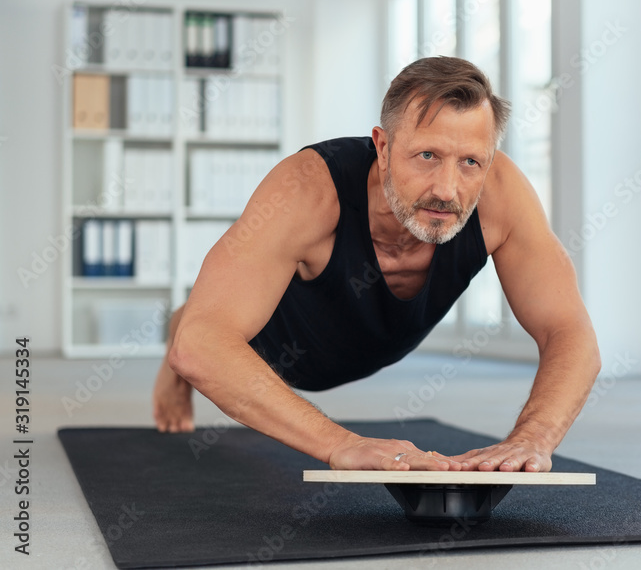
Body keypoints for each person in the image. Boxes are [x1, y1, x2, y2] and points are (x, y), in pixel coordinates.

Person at [153, 56, 601, 473]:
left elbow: (570, 330)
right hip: (278, 347)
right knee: (194, 321)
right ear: (382, 147)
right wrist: (339, 442)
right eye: (427, 156)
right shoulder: (307, 189)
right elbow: (201, 345)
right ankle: (180, 316)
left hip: (380, 342)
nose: (447, 189)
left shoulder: (502, 195)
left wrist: (533, 439)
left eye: (470, 162)